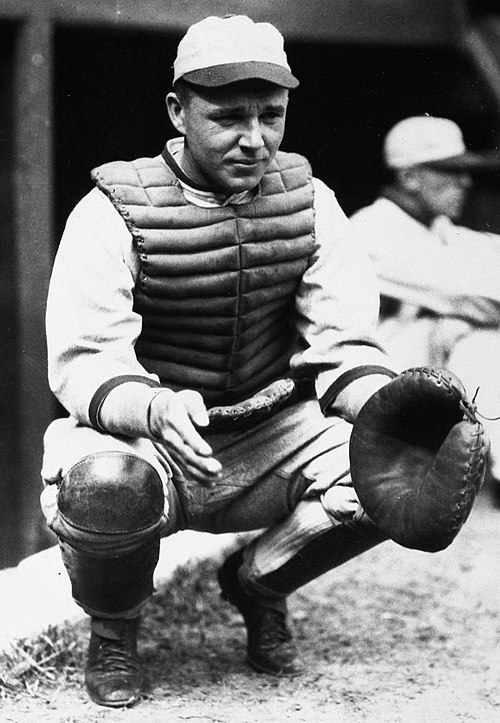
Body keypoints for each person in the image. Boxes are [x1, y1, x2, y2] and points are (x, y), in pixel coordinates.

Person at [41, 17, 428, 708]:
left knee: (398, 465)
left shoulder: (310, 203)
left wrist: (392, 409)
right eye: (227, 116)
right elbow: (83, 359)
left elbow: (342, 342)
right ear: (177, 110)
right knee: (101, 483)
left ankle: (259, 581)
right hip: (152, 434)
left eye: (270, 115)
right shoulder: (111, 211)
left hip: (272, 427)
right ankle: (115, 628)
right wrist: (154, 405)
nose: (254, 139)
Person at [349, 114, 500, 483]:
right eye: (448, 171)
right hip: (375, 388)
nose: (465, 182)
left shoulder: (442, 230)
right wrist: (463, 317)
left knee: (461, 330)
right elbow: (479, 297)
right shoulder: (369, 229)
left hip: (431, 379)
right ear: (410, 177)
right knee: (476, 340)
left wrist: (457, 319)